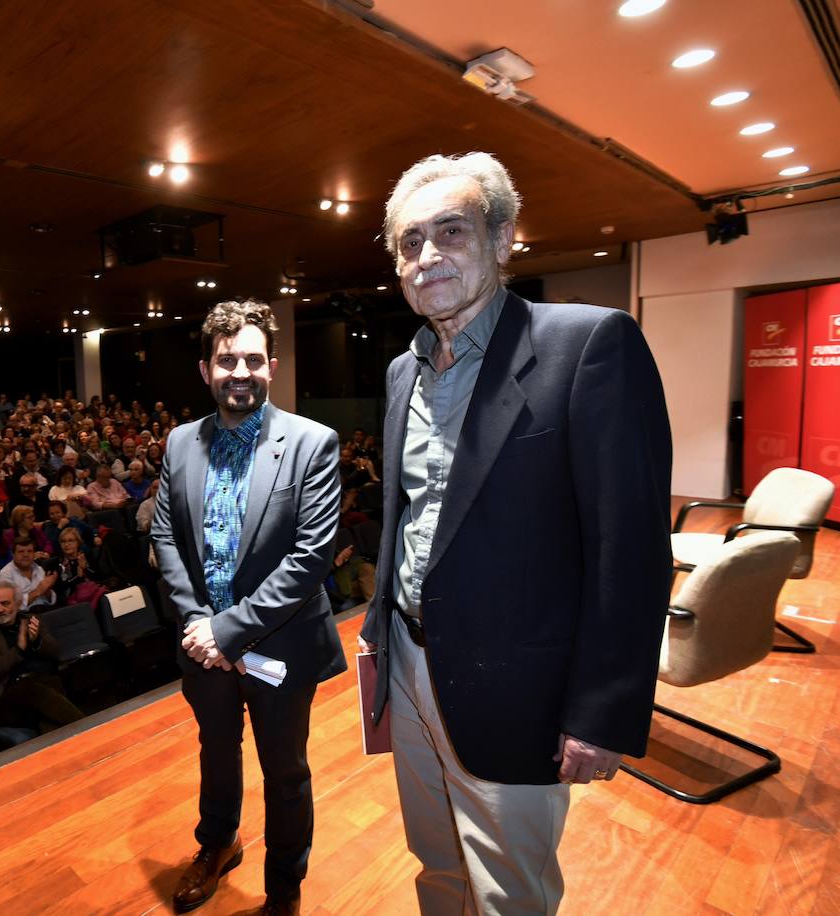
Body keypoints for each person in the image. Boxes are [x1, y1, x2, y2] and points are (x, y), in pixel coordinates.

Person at [358, 152, 672, 915]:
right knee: (434, 864)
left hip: (518, 684)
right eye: (409, 241)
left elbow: (628, 551)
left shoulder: (590, 344)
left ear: (503, 241)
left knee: (509, 893)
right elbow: (407, 521)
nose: (427, 255)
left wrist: (601, 711)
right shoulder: (403, 372)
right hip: (407, 661)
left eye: (451, 231)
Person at [152, 298, 345, 916]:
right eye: (227, 359)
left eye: (254, 360)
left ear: (273, 366)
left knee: (285, 773)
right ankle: (217, 846)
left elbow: (310, 558)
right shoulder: (180, 443)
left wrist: (227, 632)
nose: (242, 371)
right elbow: (163, 538)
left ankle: (284, 891)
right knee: (216, 750)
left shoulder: (313, 443)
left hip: (279, 646)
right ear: (205, 370)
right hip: (200, 645)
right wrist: (196, 624)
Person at [0, 585, 83, 734]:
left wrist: (37, 642)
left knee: (49, 699)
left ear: (17, 604)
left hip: (43, 685)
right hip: (10, 696)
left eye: (5, 603)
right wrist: (18, 651)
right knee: (32, 688)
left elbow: (57, 652)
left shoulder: (31, 620)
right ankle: (86, 727)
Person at [0, 537, 58, 611]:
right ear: (13, 554)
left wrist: (47, 589)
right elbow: (8, 606)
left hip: (45, 612)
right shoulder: (5, 575)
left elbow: (52, 601)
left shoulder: (39, 569)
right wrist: (38, 591)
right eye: (21, 551)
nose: (26, 555)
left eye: (29, 551)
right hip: (22, 617)